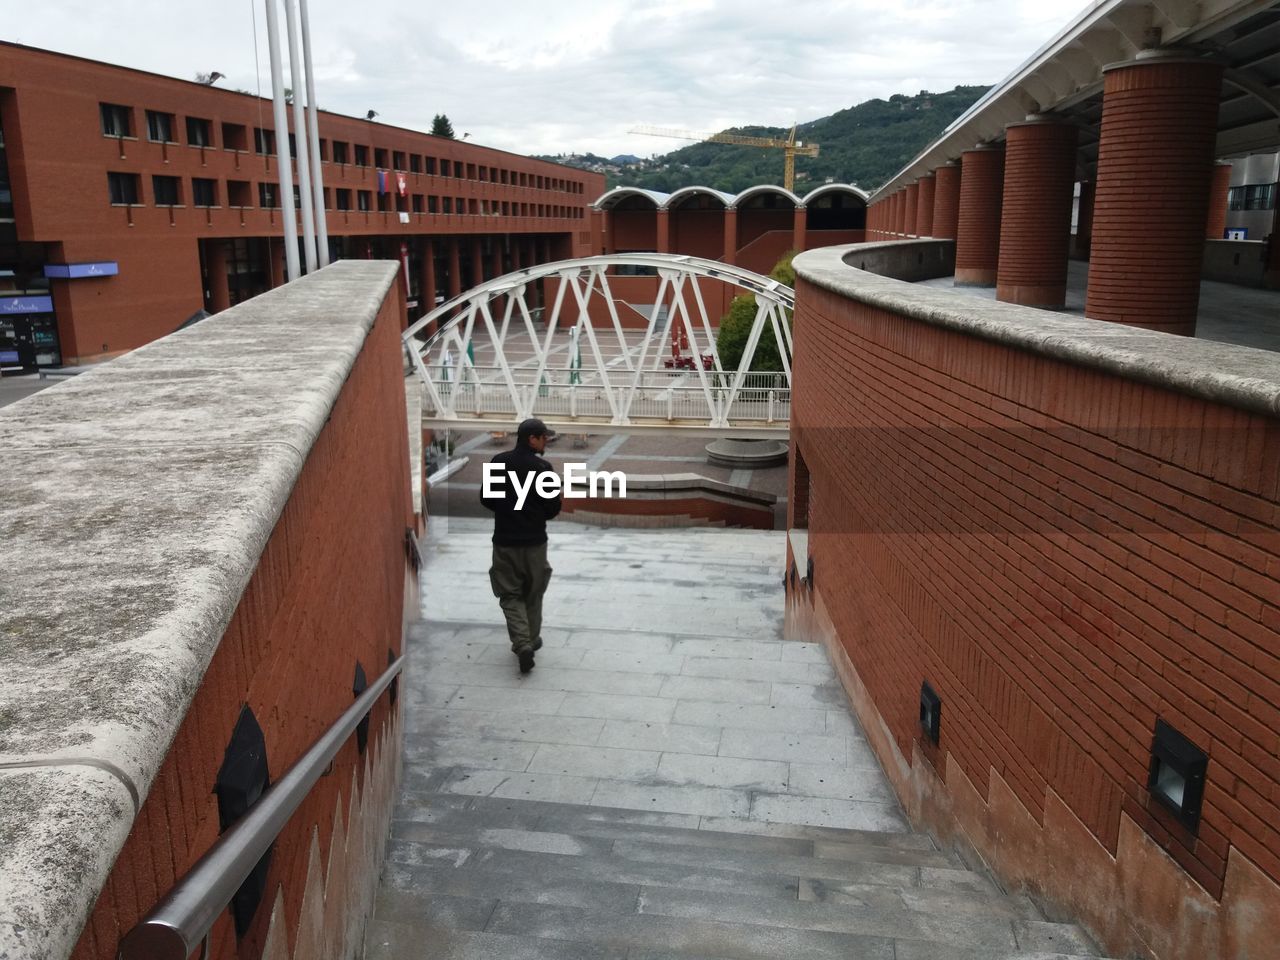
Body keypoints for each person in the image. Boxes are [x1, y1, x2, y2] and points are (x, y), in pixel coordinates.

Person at [480, 418, 562, 674]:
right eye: (543, 437)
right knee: (533, 592)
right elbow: (552, 509)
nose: (546, 440)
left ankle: (523, 642)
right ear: (532, 439)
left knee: (510, 594)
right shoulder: (543, 468)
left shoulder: (498, 462)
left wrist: (507, 512)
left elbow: (486, 498)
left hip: (504, 541)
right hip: (535, 543)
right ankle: (530, 640)